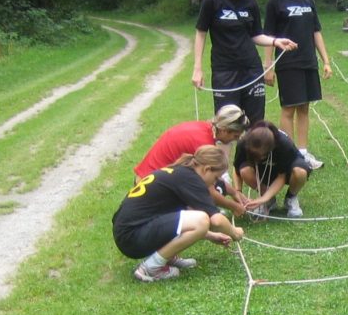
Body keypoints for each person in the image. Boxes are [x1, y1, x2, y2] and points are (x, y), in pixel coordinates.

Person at [192, 0, 297, 125]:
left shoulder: (250, 3)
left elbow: (256, 35)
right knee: (226, 126)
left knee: (255, 125)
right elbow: (201, 33)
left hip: (252, 70)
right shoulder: (212, 2)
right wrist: (197, 68)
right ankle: (224, 153)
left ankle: (253, 153)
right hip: (224, 72)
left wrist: (275, 41)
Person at [113, 145, 245, 283]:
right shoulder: (192, 180)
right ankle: (151, 268)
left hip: (127, 233)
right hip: (132, 237)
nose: (215, 182)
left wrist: (209, 235)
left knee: (194, 217)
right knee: (202, 219)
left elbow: (175, 214)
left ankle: (167, 256)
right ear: (206, 169)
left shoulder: (181, 172)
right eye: (216, 177)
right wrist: (234, 232)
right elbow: (216, 221)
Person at [263, 0, 333, 170]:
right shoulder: (276, 2)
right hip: (288, 63)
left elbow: (316, 31)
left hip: (307, 62)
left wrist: (326, 61)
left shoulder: (308, 0)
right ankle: (289, 154)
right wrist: (268, 65)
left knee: (304, 108)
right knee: (288, 109)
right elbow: (268, 36)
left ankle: (302, 153)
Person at [132, 104, 250, 218]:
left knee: (215, 186)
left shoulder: (205, 128)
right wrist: (234, 206)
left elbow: (214, 178)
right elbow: (208, 189)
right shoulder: (203, 143)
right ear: (225, 130)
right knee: (201, 213)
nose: (235, 140)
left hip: (147, 179)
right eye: (235, 136)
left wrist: (234, 193)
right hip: (150, 189)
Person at [234, 120, 311, 219]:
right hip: (262, 170)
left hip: (285, 170)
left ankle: (290, 198)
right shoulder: (244, 142)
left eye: (262, 155)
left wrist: (262, 199)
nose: (259, 158)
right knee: (244, 170)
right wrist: (237, 192)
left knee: (300, 172)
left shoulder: (284, 144)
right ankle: (269, 201)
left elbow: (281, 176)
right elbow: (236, 169)